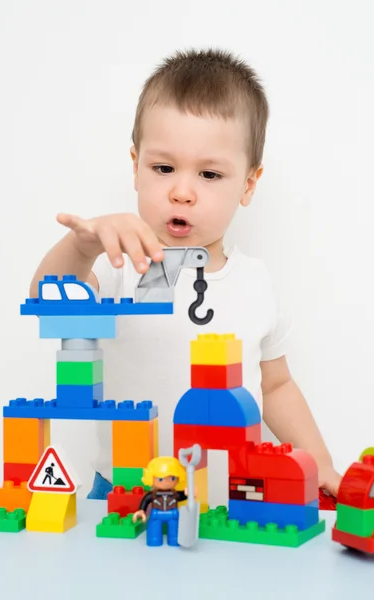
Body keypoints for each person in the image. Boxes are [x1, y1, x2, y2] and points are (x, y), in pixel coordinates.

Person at [29, 47, 342, 501]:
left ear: (248, 185)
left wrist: (321, 464)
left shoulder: (256, 283)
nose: (181, 191)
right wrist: (81, 246)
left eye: (210, 174)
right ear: (135, 167)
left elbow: (276, 386)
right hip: (124, 497)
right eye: (163, 168)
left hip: (229, 503)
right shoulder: (120, 265)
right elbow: (46, 300)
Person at [132, 456, 187, 546]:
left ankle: (174, 540)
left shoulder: (175, 494)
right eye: (160, 479)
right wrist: (141, 510)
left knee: (175, 536)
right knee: (154, 536)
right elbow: (146, 500)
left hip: (172, 515)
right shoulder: (152, 495)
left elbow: (182, 496)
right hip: (156, 515)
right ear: (151, 478)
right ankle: (154, 539)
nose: (166, 482)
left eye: (172, 478)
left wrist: (188, 493)